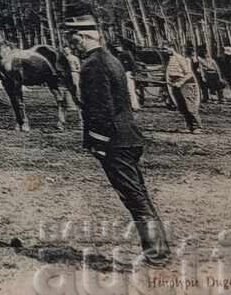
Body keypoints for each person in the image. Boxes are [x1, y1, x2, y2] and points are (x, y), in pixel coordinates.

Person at [67, 17, 170, 268]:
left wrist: (98, 143)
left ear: (83, 38)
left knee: (134, 197)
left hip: (115, 140)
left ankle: (157, 255)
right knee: (138, 194)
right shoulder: (110, 59)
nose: (72, 46)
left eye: (73, 41)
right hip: (128, 136)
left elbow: (100, 109)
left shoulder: (93, 65)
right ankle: (158, 252)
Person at [166, 42, 202, 133]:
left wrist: (181, 82)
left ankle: (197, 126)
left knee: (190, 106)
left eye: (166, 48)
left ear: (172, 48)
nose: (165, 51)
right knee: (182, 107)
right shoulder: (169, 59)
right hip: (175, 84)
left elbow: (189, 73)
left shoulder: (180, 58)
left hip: (186, 84)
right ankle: (189, 126)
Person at [110, 41, 141, 111]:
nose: (118, 48)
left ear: (121, 47)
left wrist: (133, 73)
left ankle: (135, 106)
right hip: (120, 74)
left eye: (118, 47)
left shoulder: (127, 54)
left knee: (131, 90)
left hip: (128, 73)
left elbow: (133, 64)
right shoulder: (116, 55)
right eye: (116, 47)